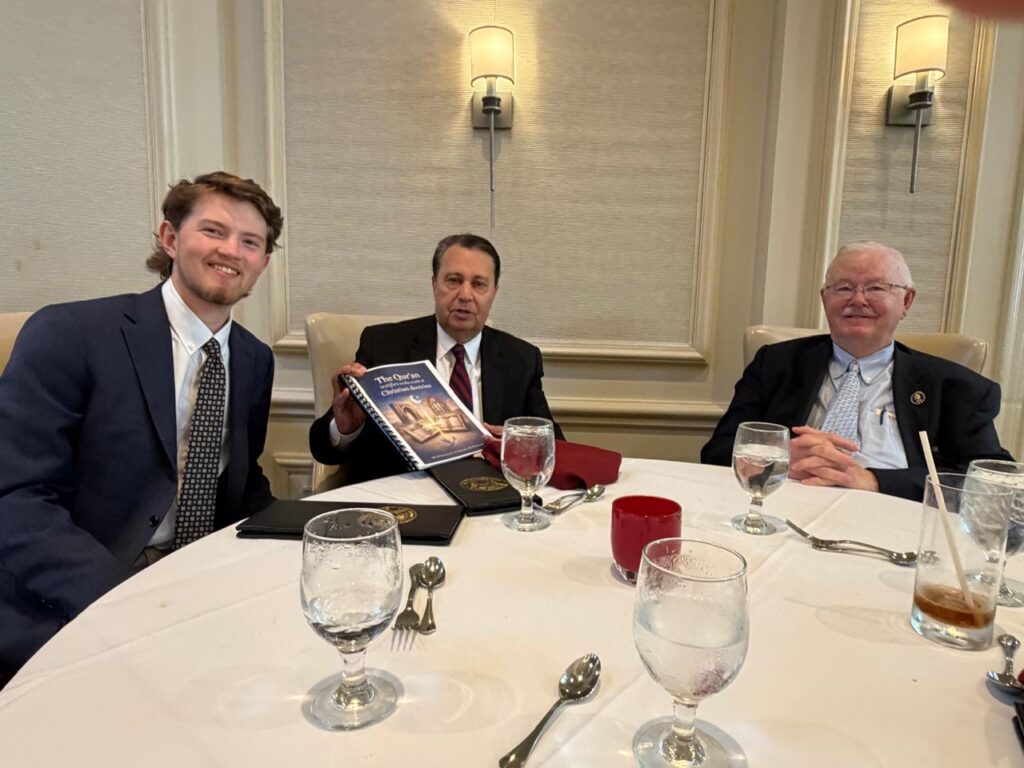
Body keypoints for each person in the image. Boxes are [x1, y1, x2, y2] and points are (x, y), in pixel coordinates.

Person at [0, 171, 283, 684]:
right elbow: (16, 497)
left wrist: (319, 537)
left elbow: (240, 488)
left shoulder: (254, 359)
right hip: (71, 603)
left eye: (250, 242)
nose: (231, 251)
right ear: (170, 237)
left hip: (200, 590)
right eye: (213, 231)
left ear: (262, 263)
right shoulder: (69, 333)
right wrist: (128, 601)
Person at [701, 241, 1013, 500]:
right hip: (787, 509)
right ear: (825, 299)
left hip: (896, 522)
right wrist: (778, 456)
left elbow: (989, 481)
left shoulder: (957, 386)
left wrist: (873, 480)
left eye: (876, 288)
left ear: (906, 301)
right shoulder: (775, 363)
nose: (858, 300)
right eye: (843, 288)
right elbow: (716, 453)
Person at [309, 233, 563, 482]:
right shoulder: (384, 346)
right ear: (434, 284)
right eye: (453, 280)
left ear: (494, 292)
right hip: (404, 495)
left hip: (489, 492)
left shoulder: (520, 359)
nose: (465, 295)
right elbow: (323, 449)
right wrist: (346, 429)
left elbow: (556, 445)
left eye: (478, 284)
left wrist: (521, 442)